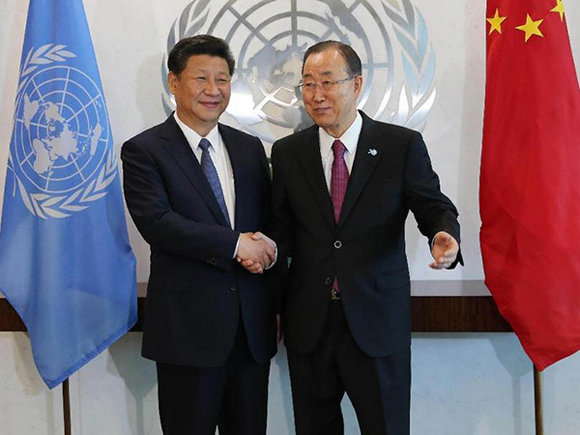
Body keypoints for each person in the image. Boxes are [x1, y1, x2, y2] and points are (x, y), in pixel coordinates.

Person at [269, 41, 462, 435]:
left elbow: (431, 205)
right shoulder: (288, 153)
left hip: (376, 319)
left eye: (327, 81)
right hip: (310, 324)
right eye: (307, 84)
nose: (317, 94)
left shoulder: (400, 145)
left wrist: (443, 234)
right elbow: (281, 230)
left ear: (356, 84)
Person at [121, 35, 278, 435]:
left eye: (223, 79)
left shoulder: (249, 148)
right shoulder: (144, 150)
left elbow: (268, 220)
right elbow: (157, 222)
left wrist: (270, 247)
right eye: (201, 78)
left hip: (249, 333)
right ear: (174, 83)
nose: (213, 90)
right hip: (186, 333)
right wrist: (235, 244)